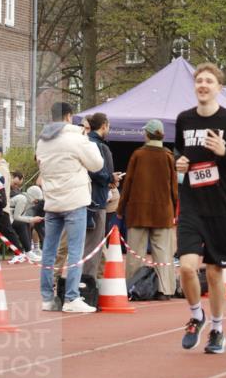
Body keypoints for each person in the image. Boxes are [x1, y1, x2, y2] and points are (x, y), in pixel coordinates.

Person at [175, 63, 226, 354]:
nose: (203, 85)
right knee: (185, 268)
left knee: (216, 272)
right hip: (192, 203)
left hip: (220, 205)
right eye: (199, 81)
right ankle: (197, 315)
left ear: (219, 87)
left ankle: (218, 329)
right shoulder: (184, 119)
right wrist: (179, 161)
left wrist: (224, 153)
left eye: (209, 81)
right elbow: (179, 151)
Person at [35, 101, 104, 313]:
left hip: (52, 200)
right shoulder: (76, 138)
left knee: (49, 250)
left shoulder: (42, 141)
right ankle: (72, 297)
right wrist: (87, 140)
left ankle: (47, 297)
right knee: (75, 250)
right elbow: (97, 164)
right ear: (69, 116)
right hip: (74, 200)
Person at [118, 118, 178, 300]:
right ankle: (165, 290)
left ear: (146, 134)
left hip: (139, 211)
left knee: (135, 252)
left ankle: (133, 286)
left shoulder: (138, 155)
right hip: (163, 212)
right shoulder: (168, 156)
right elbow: (174, 188)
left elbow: (127, 184)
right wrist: (174, 210)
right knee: (163, 253)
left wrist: (121, 208)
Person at [85, 113, 117, 278]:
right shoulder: (100, 147)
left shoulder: (83, 142)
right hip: (96, 201)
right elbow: (98, 171)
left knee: (85, 246)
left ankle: (88, 282)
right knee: (93, 247)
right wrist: (111, 178)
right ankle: (87, 285)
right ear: (104, 125)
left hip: (81, 199)